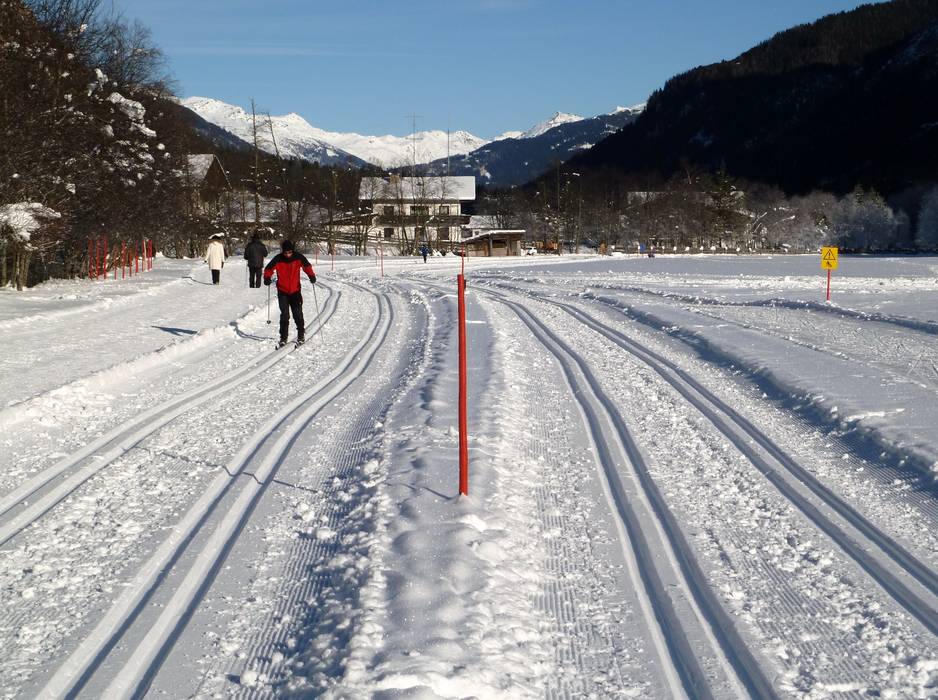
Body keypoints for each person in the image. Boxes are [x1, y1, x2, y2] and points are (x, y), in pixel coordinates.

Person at [264, 240, 316, 347]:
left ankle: (301, 335)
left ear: (292, 251)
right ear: (283, 251)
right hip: (282, 291)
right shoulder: (278, 258)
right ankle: (283, 337)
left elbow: (307, 266)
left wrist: (311, 275)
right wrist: (267, 277)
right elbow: (268, 269)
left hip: (295, 291)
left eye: (290, 252)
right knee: (284, 315)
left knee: (297, 314)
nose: (288, 254)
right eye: (286, 252)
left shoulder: (298, 257)